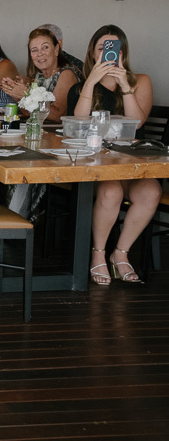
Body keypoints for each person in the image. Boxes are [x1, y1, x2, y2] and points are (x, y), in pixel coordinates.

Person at [66, 25, 158, 286]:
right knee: (111, 191)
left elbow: (137, 123)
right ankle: (98, 254)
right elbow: (79, 122)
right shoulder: (81, 88)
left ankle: (121, 253)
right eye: (102, 48)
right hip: (96, 164)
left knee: (150, 191)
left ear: (123, 53)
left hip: (130, 163)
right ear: (93, 53)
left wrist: (124, 85)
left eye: (114, 49)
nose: (108, 54)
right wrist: (92, 81)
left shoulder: (141, 81)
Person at [1, 28, 79, 122]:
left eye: (45, 47)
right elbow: (29, 112)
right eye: (34, 50)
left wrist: (26, 95)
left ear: (56, 49)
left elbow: (58, 116)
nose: (40, 54)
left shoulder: (66, 74)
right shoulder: (39, 76)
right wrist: (16, 95)